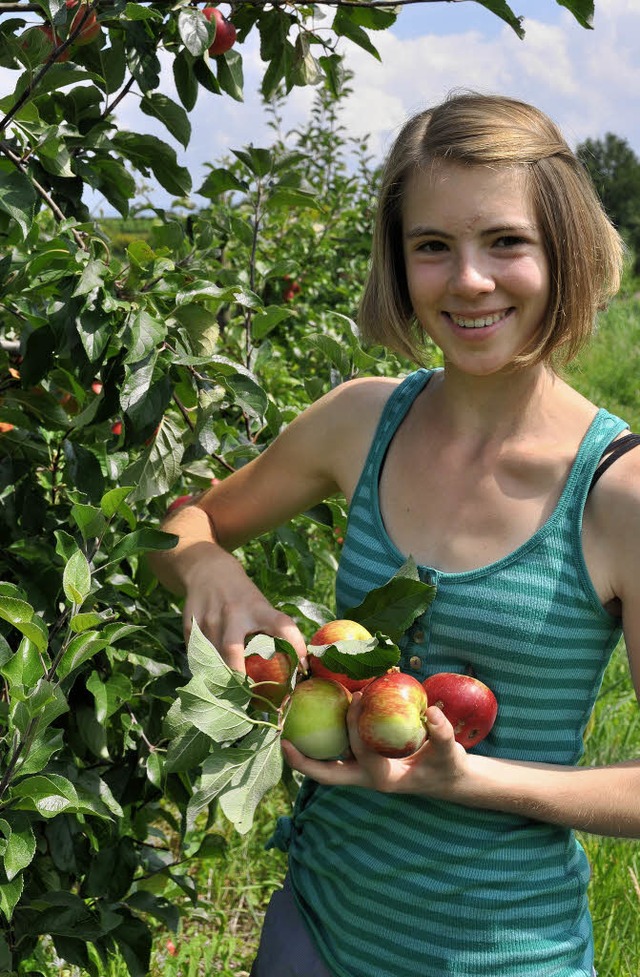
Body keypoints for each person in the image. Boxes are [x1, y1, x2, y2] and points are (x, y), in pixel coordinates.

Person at [149, 91, 640, 977]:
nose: (469, 281)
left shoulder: (618, 495)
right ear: (398, 262)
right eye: (432, 246)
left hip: (499, 955)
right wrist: (206, 567)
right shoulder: (362, 422)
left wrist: (472, 781)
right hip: (316, 930)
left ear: (563, 250)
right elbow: (174, 527)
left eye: (505, 241)